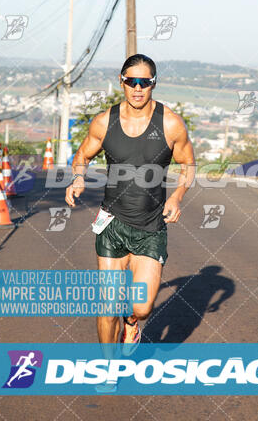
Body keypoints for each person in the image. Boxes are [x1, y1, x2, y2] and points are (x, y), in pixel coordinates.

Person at [65, 53, 195, 354]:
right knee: (108, 306)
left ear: (153, 85)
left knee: (143, 306)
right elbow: (83, 155)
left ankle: (133, 324)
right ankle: (107, 367)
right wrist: (78, 178)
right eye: (131, 82)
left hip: (150, 228)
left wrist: (176, 196)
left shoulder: (171, 123)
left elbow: (188, 164)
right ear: (121, 82)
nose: (138, 88)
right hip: (112, 223)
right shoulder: (104, 122)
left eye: (145, 83)